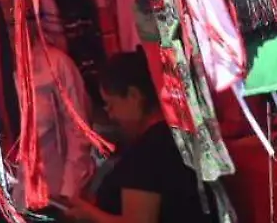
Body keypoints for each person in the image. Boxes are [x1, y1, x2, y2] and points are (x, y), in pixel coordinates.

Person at [55, 51, 212, 223]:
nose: (111, 116)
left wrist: (90, 214)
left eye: (111, 105)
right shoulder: (180, 137)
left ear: (133, 96)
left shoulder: (147, 152)